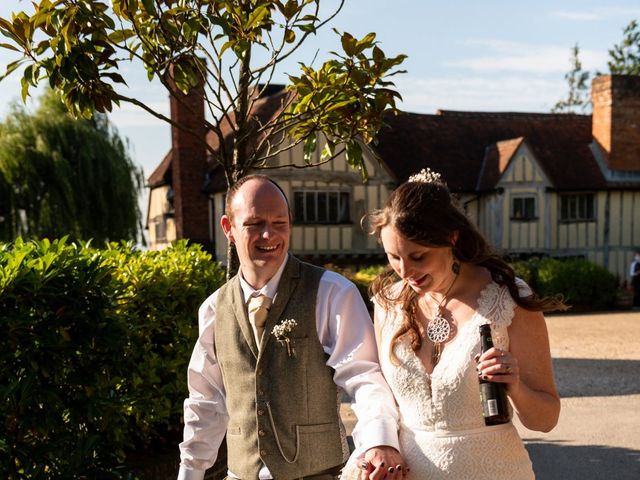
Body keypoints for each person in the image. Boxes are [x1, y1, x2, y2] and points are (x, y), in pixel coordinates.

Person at [341, 168, 567, 480]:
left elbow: (546, 420)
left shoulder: (508, 299)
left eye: (418, 257)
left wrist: (514, 385)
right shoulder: (388, 303)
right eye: (394, 257)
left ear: (451, 238)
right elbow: (377, 395)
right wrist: (379, 444)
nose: (405, 271)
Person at [177, 174, 406, 480]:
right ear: (228, 228)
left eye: (279, 222)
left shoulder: (332, 292)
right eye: (255, 223)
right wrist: (189, 473)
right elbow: (205, 403)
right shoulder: (213, 309)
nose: (269, 235)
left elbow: (363, 375)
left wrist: (379, 441)